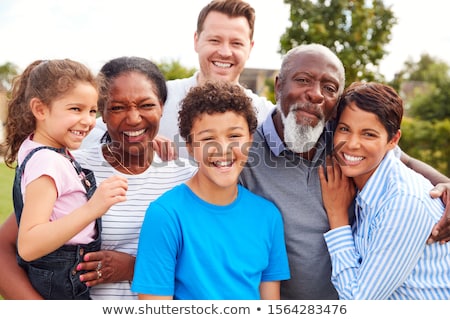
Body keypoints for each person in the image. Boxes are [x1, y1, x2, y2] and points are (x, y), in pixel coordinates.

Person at [238, 43, 450, 300]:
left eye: (329, 88)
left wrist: (446, 186)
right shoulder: (246, 152)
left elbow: (403, 161)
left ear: (336, 103)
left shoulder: (344, 136)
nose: (316, 94)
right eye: (303, 79)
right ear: (279, 85)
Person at [0, 56, 197, 300]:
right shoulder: (73, 167)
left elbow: (208, 263)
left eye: (146, 105)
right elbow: (6, 246)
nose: (134, 118)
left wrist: (133, 268)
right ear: (102, 113)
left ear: (162, 107)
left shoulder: (187, 177)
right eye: (117, 107)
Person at [131, 81, 290, 299]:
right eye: (207, 139)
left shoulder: (268, 216)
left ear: (250, 141)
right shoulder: (166, 215)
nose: (222, 149)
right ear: (189, 146)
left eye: (234, 136)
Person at [83, 0, 275, 158]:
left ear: (250, 48)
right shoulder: (158, 98)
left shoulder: (265, 115)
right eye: (214, 40)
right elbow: (88, 134)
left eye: (236, 43)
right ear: (196, 41)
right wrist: (133, 141)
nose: (225, 52)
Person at [2, 59, 128, 299]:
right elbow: (29, 245)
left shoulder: (41, 148)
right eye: (75, 109)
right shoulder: (48, 162)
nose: (88, 120)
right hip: (62, 283)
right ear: (40, 109)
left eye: (92, 111)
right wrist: (94, 207)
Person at [319, 82, 450, 299]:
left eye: (368, 134)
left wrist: (337, 216)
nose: (351, 144)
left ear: (393, 141)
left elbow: (358, 304)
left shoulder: (403, 201)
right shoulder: (372, 181)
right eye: (344, 129)